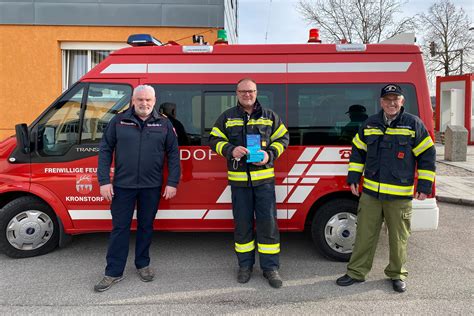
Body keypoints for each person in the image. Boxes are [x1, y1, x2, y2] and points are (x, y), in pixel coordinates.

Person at [336, 84, 436, 293]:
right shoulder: (369, 124)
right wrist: (353, 176)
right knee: (364, 235)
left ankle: (397, 274)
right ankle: (356, 272)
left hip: (400, 195)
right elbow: (358, 152)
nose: (391, 103)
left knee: (398, 238)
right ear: (381, 102)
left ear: (402, 101)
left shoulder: (413, 124)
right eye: (387, 99)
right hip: (371, 194)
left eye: (395, 99)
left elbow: (427, 155)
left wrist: (425, 185)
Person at [94, 85, 180, 292]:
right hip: (123, 186)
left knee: (146, 226)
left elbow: (174, 155)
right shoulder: (119, 121)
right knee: (120, 228)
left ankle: (143, 264)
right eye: (140, 99)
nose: (144, 103)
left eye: (148, 100)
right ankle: (113, 271)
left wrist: (172, 182)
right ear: (133, 100)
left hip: (151, 186)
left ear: (154, 100)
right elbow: (105, 150)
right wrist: (104, 180)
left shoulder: (164, 123)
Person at [209, 78, 289, 288]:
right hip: (239, 184)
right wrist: (230, 150)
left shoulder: (270, 116)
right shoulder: (227, 117)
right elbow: (214, 139)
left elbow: (283, 138)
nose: (247, 95)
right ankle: (245, 266)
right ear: (237, 93)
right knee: (242, 226)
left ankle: (270, 268)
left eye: (251, 91)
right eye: (243, 91)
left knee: (268, 225)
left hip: (264, 182)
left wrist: (269, 154)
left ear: (256, 92)